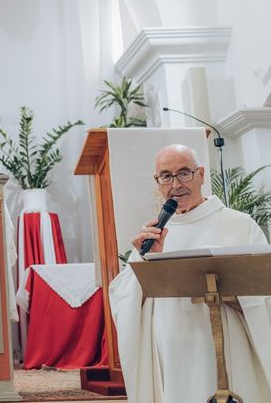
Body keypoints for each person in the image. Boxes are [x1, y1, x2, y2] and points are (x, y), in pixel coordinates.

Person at [109, 144, 271, 403]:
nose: (175, 184)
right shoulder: (154, 234)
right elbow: (125, 300)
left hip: (231, 344)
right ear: (157, 181)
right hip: (174, 347)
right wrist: (145, 258)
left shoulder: (240, 225)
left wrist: (232, 294)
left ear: (201, 174)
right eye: (166, 176)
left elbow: (265, 290)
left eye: (184, 173)